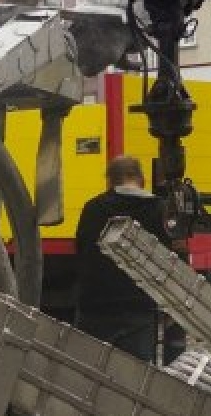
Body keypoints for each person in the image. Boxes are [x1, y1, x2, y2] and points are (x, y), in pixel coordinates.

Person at [73, 155, 172, 362]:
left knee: (90, 371)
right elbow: (170, 263)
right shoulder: (161, 210)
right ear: (142, 180)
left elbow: (81, 252)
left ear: (110, 181)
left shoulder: (93, 208)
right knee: (136, 372)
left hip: (95, 308)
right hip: (140, 309)